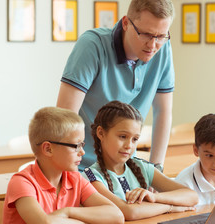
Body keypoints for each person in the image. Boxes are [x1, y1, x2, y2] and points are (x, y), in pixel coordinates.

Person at [57, 0, 175, 172]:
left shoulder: (162, 48)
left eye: (160, 36)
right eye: (146, 34)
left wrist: (156, 168)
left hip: (123, 168)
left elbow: (163, 112)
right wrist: (70, 174)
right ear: (126, 23)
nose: (152, 45)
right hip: (82, 167)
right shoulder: (92, 45)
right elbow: (65, 116)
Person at [2, 107, 124, 224]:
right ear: (48, 149)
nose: (82, 152)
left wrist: (68, 213)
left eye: (82, 145)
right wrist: (89, 223)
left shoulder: (75, 179)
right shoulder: (22, 182)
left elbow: (116, 215)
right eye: (76, 146)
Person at [82, 101, 198, 220]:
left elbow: (192, 196)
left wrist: (154, 197)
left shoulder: (142, 167)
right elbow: (129, 212)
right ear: (101, 133)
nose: (129, 145)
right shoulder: (91, 177)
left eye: (135, 139)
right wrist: (170, 208)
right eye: (123, 136)